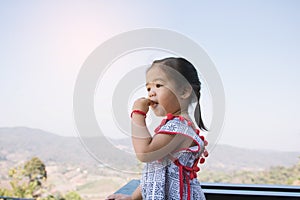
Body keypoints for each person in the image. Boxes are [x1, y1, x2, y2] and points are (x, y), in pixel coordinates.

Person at [106, 57, 208, 200]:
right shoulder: (179, 127)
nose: (151, 93)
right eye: (148, 88)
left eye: (158, 85)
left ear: (184, 91)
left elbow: (144, 153)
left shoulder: (178, 128)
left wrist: (138, 114)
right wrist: (131, 198)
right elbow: (155, 173)